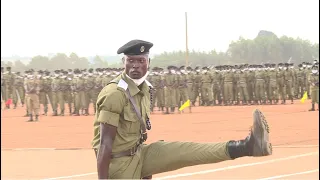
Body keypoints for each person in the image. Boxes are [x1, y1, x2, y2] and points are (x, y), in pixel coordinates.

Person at [91, 39, 272, 179]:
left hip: (139, 153)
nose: (135, 66)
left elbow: (137, 133)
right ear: (124, 62)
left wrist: (146, 171)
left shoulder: (145, 89)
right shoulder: (115, 93)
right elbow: (104, 145)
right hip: (119, 164)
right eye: (130, 61)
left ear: (148, 62)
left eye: (140, 60)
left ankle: (247, 146)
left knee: (187, 151)